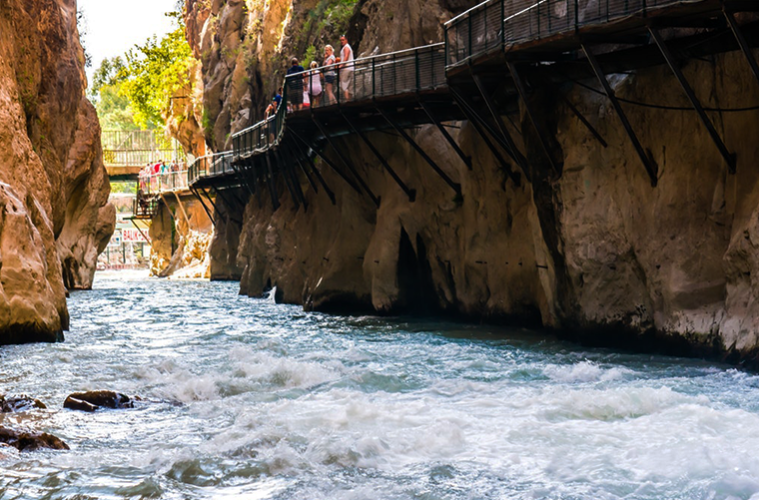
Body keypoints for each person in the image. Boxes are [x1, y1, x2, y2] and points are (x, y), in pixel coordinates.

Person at [339, 35, 354, 101]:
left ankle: (347, 100)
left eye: (343, 40)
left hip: (346, 68)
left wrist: (341, 65)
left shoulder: (346, 47)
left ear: (346, 40)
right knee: (350, 85)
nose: (341, 42)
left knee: (344, 84)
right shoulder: (348, 47)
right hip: (351, 68)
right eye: (341, 40)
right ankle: (349, 100)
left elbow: (346, 56)